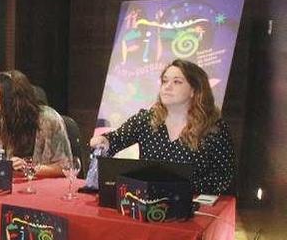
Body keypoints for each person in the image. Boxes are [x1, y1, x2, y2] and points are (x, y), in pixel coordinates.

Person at [89, 59, 236, 195]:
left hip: (193, 206)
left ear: (194, 90)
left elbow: (223, 177)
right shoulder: (147, 119)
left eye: (177, 82)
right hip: (148, 203)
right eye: (164, 81)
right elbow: (115, 139)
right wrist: (104, 141)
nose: (167, 87)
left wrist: (181, 188)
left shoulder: (213, 128)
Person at [0, 70, 71, 178]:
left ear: (11, 100)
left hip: (44, 188)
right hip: (16, 186)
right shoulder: (6, 120)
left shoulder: (50, 120)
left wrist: (29, 168)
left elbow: (66, 168)